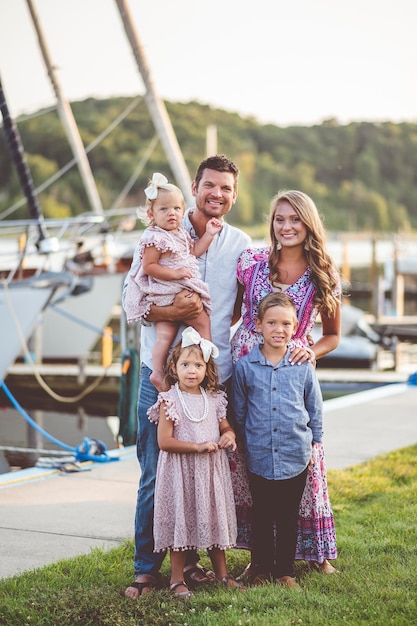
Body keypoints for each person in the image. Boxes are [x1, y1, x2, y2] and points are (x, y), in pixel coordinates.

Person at [123, 155, 251, 599]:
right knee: (156, 470)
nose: (217, 194)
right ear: (195, 186)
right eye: (210, 185)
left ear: (234, 195)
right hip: (158, 374)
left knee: (204, 470)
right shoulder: (162, 231)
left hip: (215, 377)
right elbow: (131, 300)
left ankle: (193, 565)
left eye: (226, 189)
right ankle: (146, 568)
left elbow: (244, 308)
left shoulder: (241, 243)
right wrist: (173, 311)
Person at [231, 189, 341, 578]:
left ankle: (313, 552)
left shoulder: (321, 275)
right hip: (247, 368)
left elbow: (331, 335)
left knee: (302, 462)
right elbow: (233, 312)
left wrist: (312, 352)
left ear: (308, 223)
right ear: (272, 223)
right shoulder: (252, 263)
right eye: (280, 219)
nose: (287, 226)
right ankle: (256, 557)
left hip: (292, 371)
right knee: (249, 462)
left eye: (295, 219)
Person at [233, 292, 324, 589]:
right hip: (259, 454)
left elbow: (315, 408)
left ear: (295, 327)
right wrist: (246, 445)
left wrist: (314, 445)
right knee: (260, 513)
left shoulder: (302, 367)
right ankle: (260, 568)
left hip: (295, 453)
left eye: (286, 323)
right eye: (272, 322)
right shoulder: (245, 368)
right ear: (258, 325)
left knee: (288, 516)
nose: (278, 329)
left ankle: (285, 571)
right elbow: (240, 411)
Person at [148, 327, 243, 598]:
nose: (192, 370)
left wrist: (229, 436)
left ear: (207, 368)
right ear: (174, 368)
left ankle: (222, 574)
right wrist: (197, 446)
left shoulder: (214, 399)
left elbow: (226, 427)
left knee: (213, 520)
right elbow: (164, 441)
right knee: (182, 522)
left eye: (198, 365)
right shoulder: (170, 400)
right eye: (185, 364)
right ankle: (177, 579)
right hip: (181, 474)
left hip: (210, 474)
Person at [124, 173, 222, 391]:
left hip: (174, 290)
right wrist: (177, 274)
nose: (172, 214)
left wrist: (209, 234)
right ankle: (202, 364)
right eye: (164, 209)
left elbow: (194, 251)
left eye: (177, 209)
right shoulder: (154, 237)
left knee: (167, 335)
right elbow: (150, 267)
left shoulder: (180, 234)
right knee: (201, 324)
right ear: (151, 214)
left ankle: (166, 372)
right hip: (165, 290)